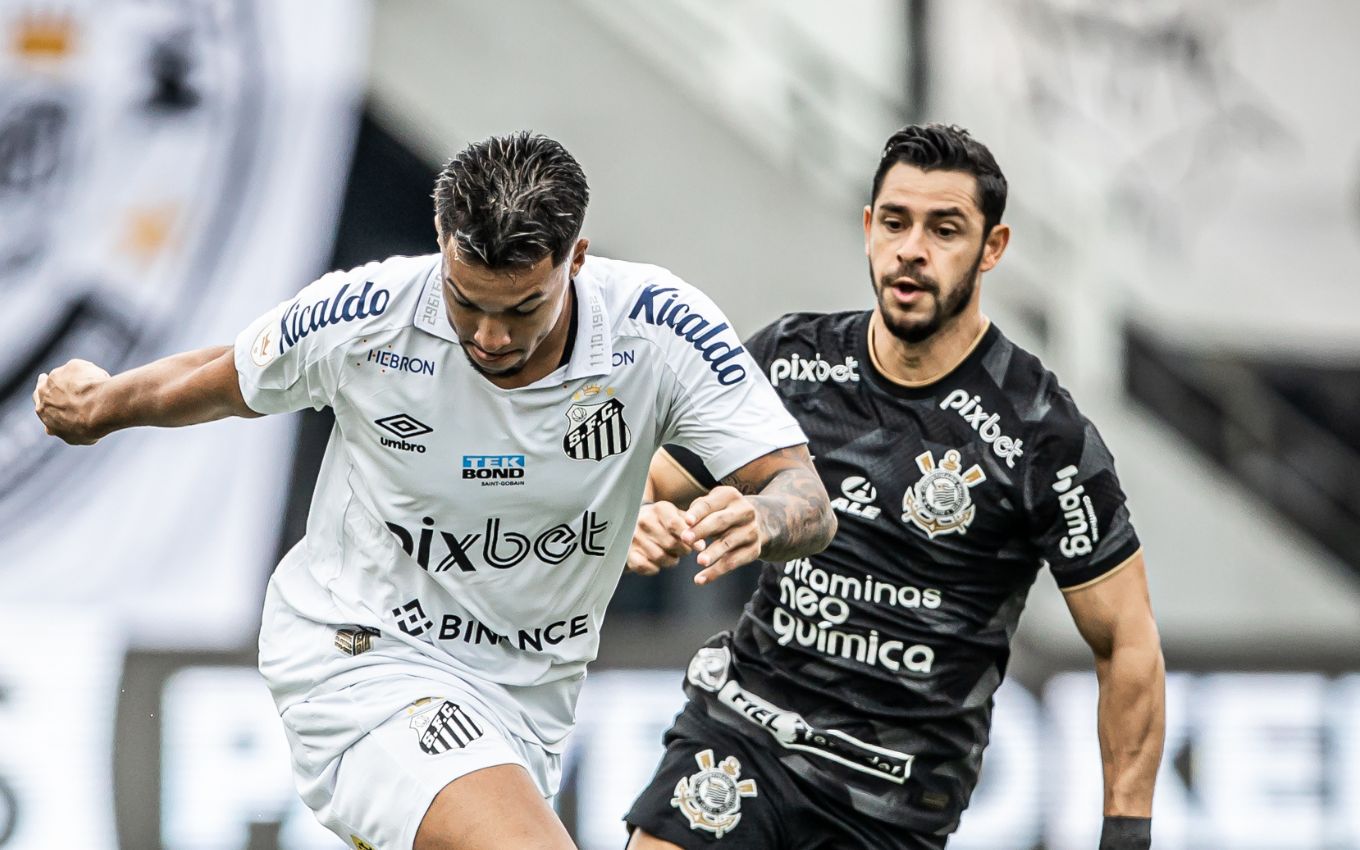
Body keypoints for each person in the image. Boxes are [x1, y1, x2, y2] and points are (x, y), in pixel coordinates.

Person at [32, 131, 836, 850]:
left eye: (523, 308)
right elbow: (224, 374)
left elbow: (805, 495)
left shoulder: (661, 328)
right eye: (466, 302)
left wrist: (765, 515)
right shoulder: (369, 312)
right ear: (442, 247)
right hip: (359, 657)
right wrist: (102, 406)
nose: (489, 337)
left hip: (529, 699)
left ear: (577, 260)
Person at [624, 124, 1165, 850]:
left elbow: (1126, 640)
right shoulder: (790, 358)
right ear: (869, 228)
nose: (913, 248)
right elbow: (655, 482)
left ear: (992, 249)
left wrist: (1126, 834)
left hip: (891, 800)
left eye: (945, 229)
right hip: (741, 735)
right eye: (896, 222)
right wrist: (640, 516)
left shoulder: (1045, 434)